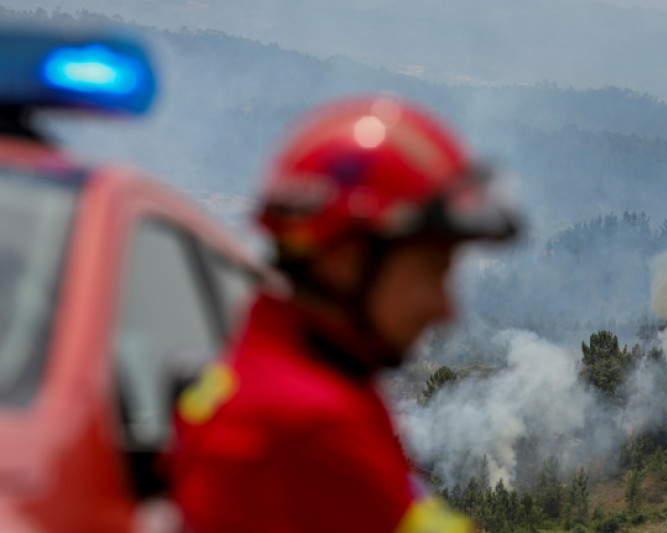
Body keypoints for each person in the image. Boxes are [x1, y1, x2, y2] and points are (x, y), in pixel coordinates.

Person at [169, 96, 520, 533]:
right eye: (432, 273)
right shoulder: (310, 426)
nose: (445, 309)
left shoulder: (290, 371)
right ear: (347, 261)